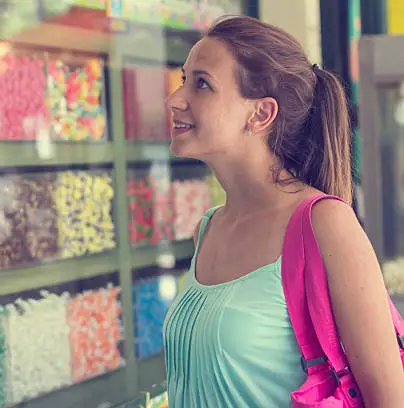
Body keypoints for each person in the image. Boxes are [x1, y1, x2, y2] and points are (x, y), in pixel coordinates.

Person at [163, 15, 404, 407]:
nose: (175, 99)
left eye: (202, 84)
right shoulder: (207, 229)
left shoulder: (324, 223)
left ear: (260, 114)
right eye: (183, 80)